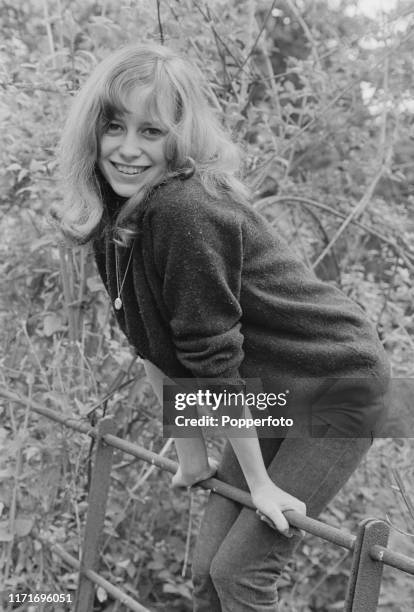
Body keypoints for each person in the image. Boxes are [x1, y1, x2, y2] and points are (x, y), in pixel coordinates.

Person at [53, 42, 390, 611]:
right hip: (268, 390)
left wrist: (260, 485)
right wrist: (189, 457)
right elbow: (153, 350)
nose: (128, 149)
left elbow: (213, 363)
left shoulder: (185, 211)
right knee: (208, 565)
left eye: (152, 132)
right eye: (115, 126)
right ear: (93, 130)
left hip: (339, 383)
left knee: (241, 572)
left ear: (180, 137)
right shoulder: (115, 216)